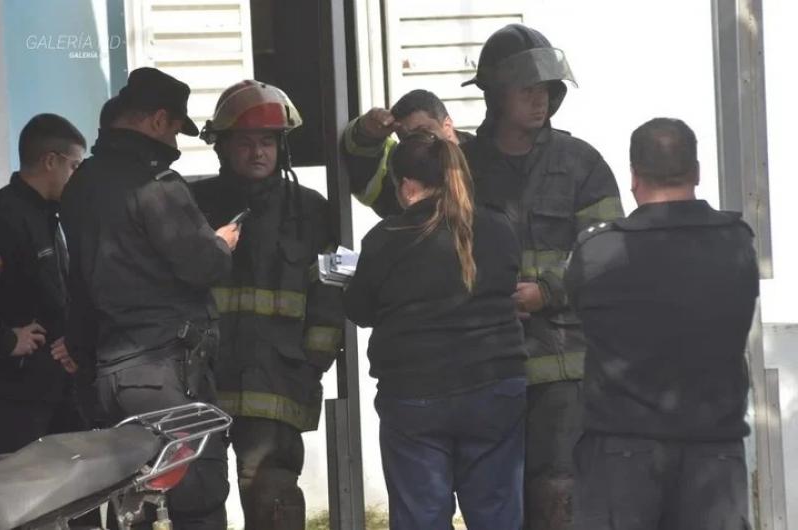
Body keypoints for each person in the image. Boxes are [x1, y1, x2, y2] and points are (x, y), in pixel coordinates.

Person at [458, 24, 625, 530]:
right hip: (479, 362)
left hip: (560, 364)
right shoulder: (459, 164)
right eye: (527, 89)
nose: (541, 100)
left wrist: (547, 291)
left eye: (548, 90)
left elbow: (609, 253)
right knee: (490, 497)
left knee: (557, 492)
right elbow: (394, 200)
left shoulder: (581, 164)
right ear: (494, 94)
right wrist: (367, 138)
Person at [61, 67, 239, 529]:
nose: (178, 141)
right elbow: (204, 265)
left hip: (107, 376)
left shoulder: (81, 183)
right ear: (160, 119)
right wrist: (222, 242)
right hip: (165, 374)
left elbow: (77, 280)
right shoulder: (156, 185)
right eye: (178, 128)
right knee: (196, 499)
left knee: (133, 507)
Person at [565, 118, 759, 530]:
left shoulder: (598, 249)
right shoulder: (736, 242)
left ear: (633, 176)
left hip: (621, 452)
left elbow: (580, 310)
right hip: (714, 452)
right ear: (698, 172)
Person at [344, 133, 527, 530]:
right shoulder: (498, 227)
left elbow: (359, 309)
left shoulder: (386, 239)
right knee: (497, 514)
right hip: (494, 387)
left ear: (407, 187)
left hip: (415, 396)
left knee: (420, 518)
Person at [191, 80, 344, 530]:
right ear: (222, 147)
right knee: (198, 500)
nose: (258, 153)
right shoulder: (194, 205)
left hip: (279, 380)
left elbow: (330, 290)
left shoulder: (312, 210)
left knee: (274, 497)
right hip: (204, 382)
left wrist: (314, 358)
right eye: (245, 142)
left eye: (267, 142)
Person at [0, 114, 85, 453]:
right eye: (74, 166)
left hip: (57, 388)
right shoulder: (6, 216)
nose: (77, 177)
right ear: (51, 160)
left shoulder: (51, 216)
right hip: (16, 398)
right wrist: (6, 340)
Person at [342, 89, 473, 218]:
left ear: (447, 125)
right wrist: (365, 134)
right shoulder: (401, 174)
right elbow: (363, 182)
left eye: (423, 132)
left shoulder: (485, 158)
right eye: (406, 138)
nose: (416, 143)